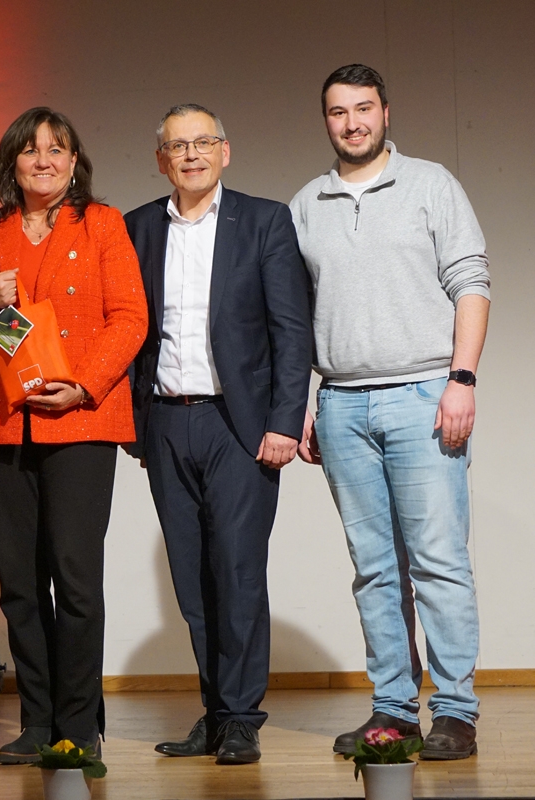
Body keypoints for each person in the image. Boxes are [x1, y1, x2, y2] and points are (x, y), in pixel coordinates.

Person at [292, 64, 491, 760]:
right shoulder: (307, 203)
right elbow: (293, 315)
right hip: (341, 403)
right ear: (326, 120)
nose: (352, 122)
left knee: (438, 561)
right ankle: (394, 710)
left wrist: (461, 379)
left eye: (364, 108)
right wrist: (302, 402)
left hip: (423, 395)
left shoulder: (431, 184)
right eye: (338, 111)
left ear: (385, 112)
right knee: (374, 568)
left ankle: (456, 712)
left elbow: (471, 282)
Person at [0, 107, 146, 763]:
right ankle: (37, 720)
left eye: (56, 149)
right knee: (20, 583)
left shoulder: (103, 223)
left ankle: (80, 724)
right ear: (11, 162)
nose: (43, 159)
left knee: (76, 578)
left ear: (73, 161)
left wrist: (84, 385)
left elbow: (130, 318)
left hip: (80, 418)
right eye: (30, 149)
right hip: (3, 419)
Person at [123, 105, 312, 765]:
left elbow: (291, 331)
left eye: (204, 142)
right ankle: (215, 711)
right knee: (191, 578)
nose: (192, 154)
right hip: (165, 420)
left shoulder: (264, 221)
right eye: (178, 146)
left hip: (239, 423)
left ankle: (241, 718)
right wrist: (132, 422)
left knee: (237, 570)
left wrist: (284, 421)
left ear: (225, 152)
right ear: (162, 160)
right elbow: (128, 329)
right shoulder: (138, 227)